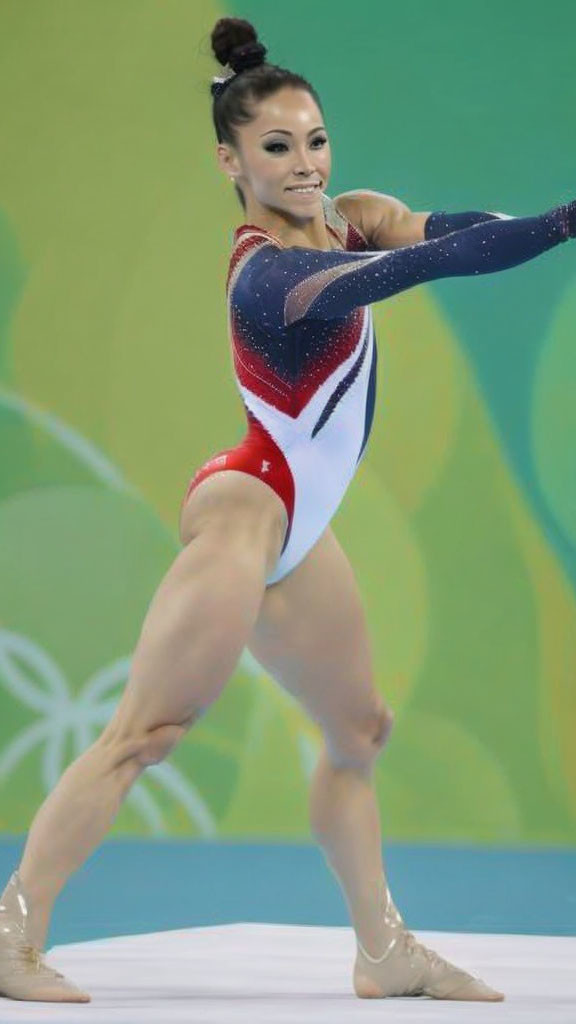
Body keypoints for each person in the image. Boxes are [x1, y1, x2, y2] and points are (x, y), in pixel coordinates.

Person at [1, 15, 574, 1006]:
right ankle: (12, 931)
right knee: (147, 730)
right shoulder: (267, 275)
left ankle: (384, 949)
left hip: (299, 528)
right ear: (230, 159)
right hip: (245, 509)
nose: (305, 165)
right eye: (277, 147)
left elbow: (459, 231)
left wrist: (521, 221)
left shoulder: (353, 214)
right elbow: (430, 266)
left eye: (315, 139)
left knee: (362, 731)